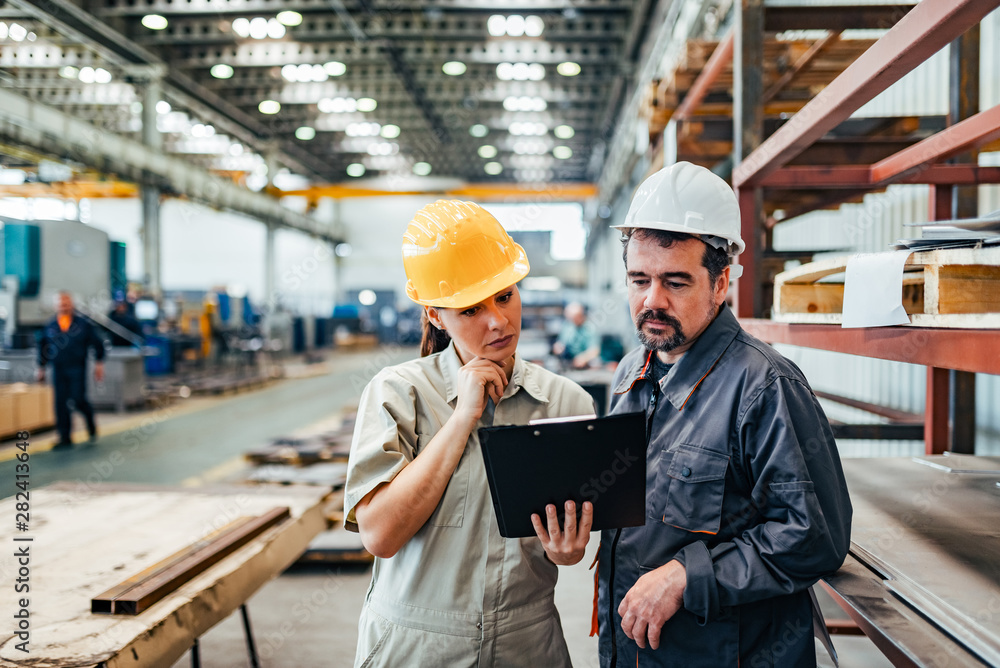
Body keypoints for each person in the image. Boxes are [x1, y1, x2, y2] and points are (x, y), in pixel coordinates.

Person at [594, 162, 852, 667]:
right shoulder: (631, 372)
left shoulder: (766, 387)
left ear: (721, 282)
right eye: (639, 279)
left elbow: (815, 536)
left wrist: (688, 575)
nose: (653, 300)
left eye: (676, 282)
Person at [344, 200, 596, 667]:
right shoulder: (398, 394)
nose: (498, 320)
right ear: (436, 315)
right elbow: (379, 534)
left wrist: (568, 551)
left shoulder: (566, 404)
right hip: (415, 648)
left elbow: (565, 547)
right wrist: (462, 420)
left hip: (527, 646)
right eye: (471, 308)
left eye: (505, 295)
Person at [36, 291, 106, 447]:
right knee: (60, 402)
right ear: (56, 306)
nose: (64, 306)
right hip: (58, 369)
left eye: (66, 303)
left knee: (77, 398)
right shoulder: (50, 325)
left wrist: (99, 364)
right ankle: (64, 437)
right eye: (61, 303)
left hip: (77, 368)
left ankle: (90, 420)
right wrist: (41, 367)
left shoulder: (82, 324)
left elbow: (97, 344)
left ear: (72, 304)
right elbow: (43, 347)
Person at [552, 301, 601, 369]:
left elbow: (595, 350)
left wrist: (584, 358)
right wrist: (558, 347)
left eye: (574, 318)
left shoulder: (590, 329)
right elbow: (561, 342)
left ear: (581, 315)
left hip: (586, 365)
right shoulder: (568, 326)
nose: (572, 321)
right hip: (569, 363)